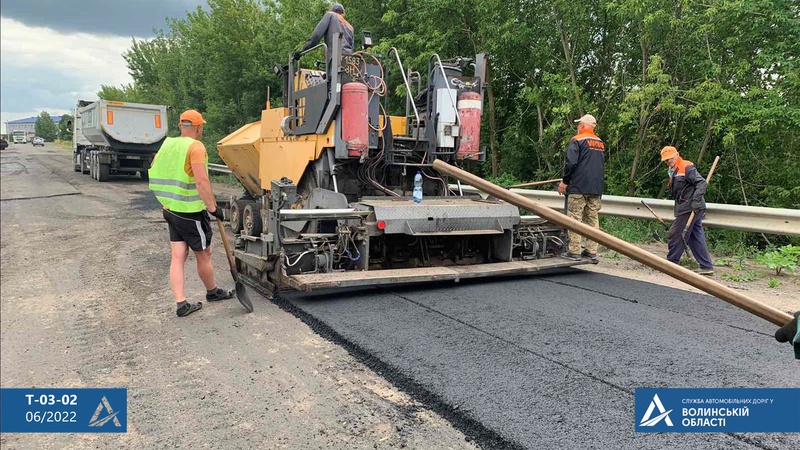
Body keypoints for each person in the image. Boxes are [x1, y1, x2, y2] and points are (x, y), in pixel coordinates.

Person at [149, 110, 232, 317]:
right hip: (189, 211)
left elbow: (154, 167)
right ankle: (212, 292)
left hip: (170, 208)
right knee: (203, 254)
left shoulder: (167, 145)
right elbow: (201, 181)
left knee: (178, 256)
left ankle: (181, 303)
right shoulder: (196, 147)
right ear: (198, 127)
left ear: (180, 126)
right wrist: (213, 208)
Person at [660, 146, 715, 275]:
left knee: (677, 233)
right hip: (687, 207)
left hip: (691, 207)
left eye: (670, 159)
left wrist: (695, 200)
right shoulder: (673, 170)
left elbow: (701, 183)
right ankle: (706, 266)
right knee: (695, 237)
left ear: (677, 155)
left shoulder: (686, 167)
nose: (669, 162)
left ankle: (671, 264)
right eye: (666, 160)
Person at [558, 114, 606, 261]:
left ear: (584, 125)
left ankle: (574, 251)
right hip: (596, 188)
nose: (578, 127)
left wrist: (565, 182)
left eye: (579, 125)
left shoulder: (577, 140)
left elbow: (571, 163)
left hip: (578, 187)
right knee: (592, 220)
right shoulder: (600, 143)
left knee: (574, 218)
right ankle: (591, 251)